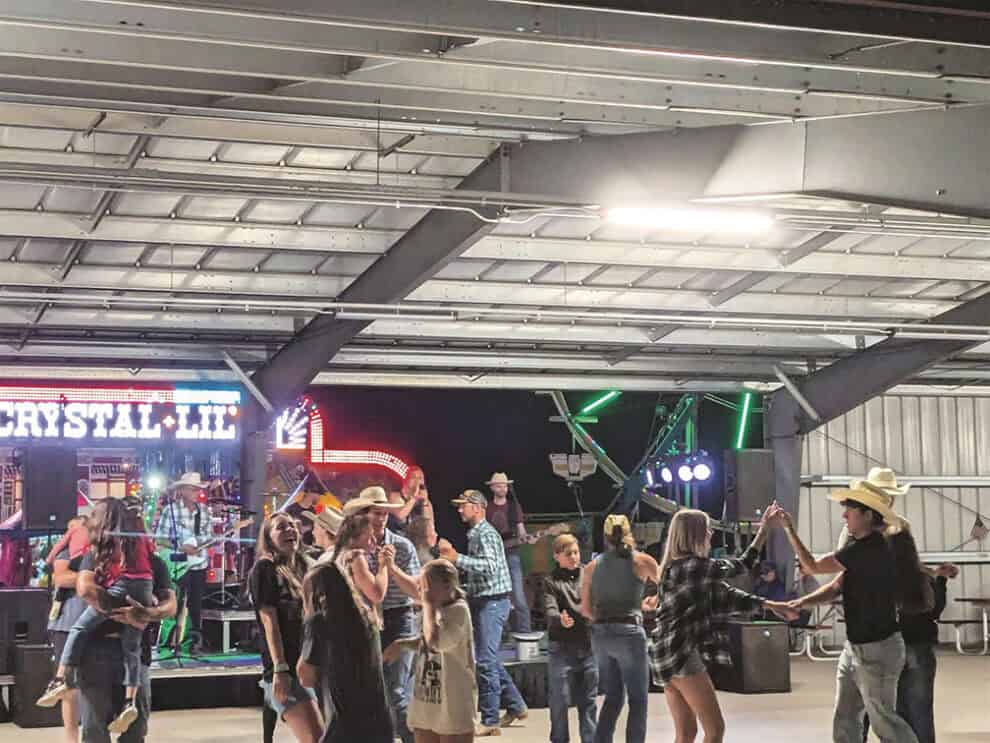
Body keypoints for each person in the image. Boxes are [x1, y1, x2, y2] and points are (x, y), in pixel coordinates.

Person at [774, 467, 931, 743]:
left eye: (850, 511)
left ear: (869, 514)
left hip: (878, 646)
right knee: (847, 716)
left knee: (885, 720)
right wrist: (802, 602)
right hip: (858, 645)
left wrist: (788, 528)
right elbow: (838, 585)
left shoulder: (871, 547)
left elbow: (812, 566)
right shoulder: (870, 543)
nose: (844, 515)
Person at [650, 508, 796, 743]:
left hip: (665, 655)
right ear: (694, 534)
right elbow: (743, 565)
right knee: (715, 730)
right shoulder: (694, 567)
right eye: (706, 529)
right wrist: (764, 530)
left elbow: (726, 595)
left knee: (686, 734)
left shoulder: (678, 567)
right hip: (681, 654)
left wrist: (772, 605)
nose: (710, 533)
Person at [47, 497, 176, 743]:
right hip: (97, 651)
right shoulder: (96, 556)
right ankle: (59, 680)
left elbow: (171, 604)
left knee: (135, 728)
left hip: (137, 653)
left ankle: (60, 679)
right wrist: (131, 612)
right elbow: (85, 588)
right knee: (95, 728)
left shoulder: (154, 561)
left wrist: (148, 614)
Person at [438, 490, 527, 737]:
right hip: (485, 601)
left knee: (485, 661)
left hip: (493, 603)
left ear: (477, 507)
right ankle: (516, 705)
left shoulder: (485, 533)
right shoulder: (478, 533)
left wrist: (457, 559)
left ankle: (490, 720)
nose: (459, 510)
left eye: (462, 506)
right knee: (488, 657)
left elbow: (490, 567)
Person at [344, 486, 420, 743]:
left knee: (395, 691)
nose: (381, 518)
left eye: (385, 513)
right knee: (373, 692)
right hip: (366, 622)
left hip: (400, 618)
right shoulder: (353, 548)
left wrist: (391, 567)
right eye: (376, 513)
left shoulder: (402, 545)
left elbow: (418, 592)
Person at [862, 547, 958, 743]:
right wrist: (940, 580)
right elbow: (935, 610)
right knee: (919, 708)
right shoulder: (921, 575)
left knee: (884, 707)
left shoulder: (873, 574)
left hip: (887, 646)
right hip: (917, 644)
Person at [579, 514, 657, 743]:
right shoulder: (642, 561)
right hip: (630, 633)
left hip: (601, 635)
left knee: (613, 698)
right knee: (638, 699)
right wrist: (650, 603)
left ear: (604, 536)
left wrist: (603, 620)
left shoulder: (592, 567)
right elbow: (669, 585)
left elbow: (585, 610)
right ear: (628, 532)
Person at [297, 560, 393, 743]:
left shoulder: (319, 622)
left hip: (343, 723)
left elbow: (305, 676)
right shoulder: (367, 618)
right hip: (379, 721)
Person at [249, 513, 323, 743]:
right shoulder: (265, 569)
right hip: (287, 669)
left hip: (310, 665)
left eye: (292, 525)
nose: (290, 530)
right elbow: (269, 621)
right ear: (269, 538)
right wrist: (280, 669)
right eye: (281, 527)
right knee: (316, 738)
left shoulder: (305, 566)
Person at [386, 559, 478, 743]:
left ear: (446, 585)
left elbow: (435, 642)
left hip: (452, 699)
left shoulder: (458, 611)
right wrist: (402, 643)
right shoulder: (436, 609)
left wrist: (428, 606)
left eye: (425, 585)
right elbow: (426, 643)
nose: (421, 590)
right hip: (427, 698)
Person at [42, 516, 93, 743]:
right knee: (69, 687)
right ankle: (71, 738)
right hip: (66, 624)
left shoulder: (97, 552)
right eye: (72, 528)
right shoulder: (64, 553)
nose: (75, 531)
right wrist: (91, 578)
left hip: (96, 624)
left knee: (94, 684)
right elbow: (61, 578)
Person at [544, 534, 597, 743]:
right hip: (561, 649)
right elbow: (549, 609)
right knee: (559, 701)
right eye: (569, 554)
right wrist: (559, 618)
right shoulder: (550, 581)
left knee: (589, 701)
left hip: (588, 647)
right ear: (557, 556)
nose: (574, 557)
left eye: (576, 552)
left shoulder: (589, 575)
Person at [156, 471, 213, 652]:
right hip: (178, 564)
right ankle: (169, 642)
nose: (197, 492)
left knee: (195, 604)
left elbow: (209, 537)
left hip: (199, 563)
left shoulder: (204, 512)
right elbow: (160, 539)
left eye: (198, 489)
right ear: (182, 490)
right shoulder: (170, 510)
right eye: (193, 489)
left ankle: (193, 642)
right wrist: (181, 547)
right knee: (175, 602)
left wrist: (202, 544)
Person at [485, 472, 532, 633]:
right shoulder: (487, 508)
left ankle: (525, 633)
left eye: (505, 485)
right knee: (498, 597)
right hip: (493, 558)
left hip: (512, 554)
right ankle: (501, 633)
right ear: (492, 488)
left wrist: (526, 538)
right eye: (499, 485)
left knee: (518, 596)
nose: (502, 488)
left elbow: (521, 530)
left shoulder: (514, 506)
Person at [388, 466, 434, 534]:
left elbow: (429, 527)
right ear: (405, 480)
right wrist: (414, 497)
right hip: (397, 540)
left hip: (417, 542)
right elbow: (400, 516)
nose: (417, 481)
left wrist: (424, 503)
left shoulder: (426, 503)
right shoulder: (394, 496)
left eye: (420, 478)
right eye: (413, 477)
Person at [286, 477, 324, 547]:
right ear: (309, 492)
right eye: (318, 494)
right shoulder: (290, 510)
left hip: (308, 549)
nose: (319, 498)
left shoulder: (313, 511)